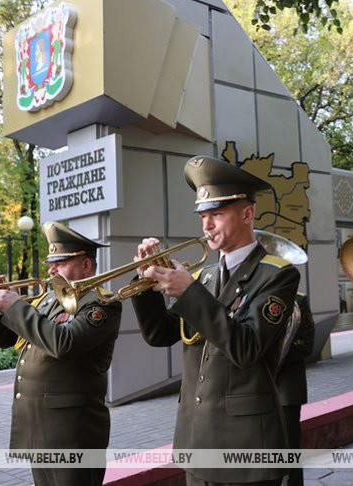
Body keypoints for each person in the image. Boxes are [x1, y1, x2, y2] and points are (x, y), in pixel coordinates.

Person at [131, 155, 300, 486]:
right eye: (203, 216)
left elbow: (247, 347)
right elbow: (160, 334)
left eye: (217, 214)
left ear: (247, 213)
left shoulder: (278, 275)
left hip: (246, 444)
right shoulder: (203, 276)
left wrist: (190, 292)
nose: (206, 225)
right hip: (197, 439)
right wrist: (145, 287)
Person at [0, 222, 122, 486]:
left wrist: (16, 306)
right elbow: (5, 339)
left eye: (60, 262)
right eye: (50, 262)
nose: (51, 269)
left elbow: (63, 342)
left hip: (73, 433)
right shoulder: (48, 300)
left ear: (86, 266)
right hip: (40, 427)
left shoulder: (101, 303)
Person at [275, 292, 315, 486]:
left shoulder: (298, 300)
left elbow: (306, 344)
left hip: (287, 389)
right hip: (257, 388)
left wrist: (273, 357)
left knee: (289, 450)